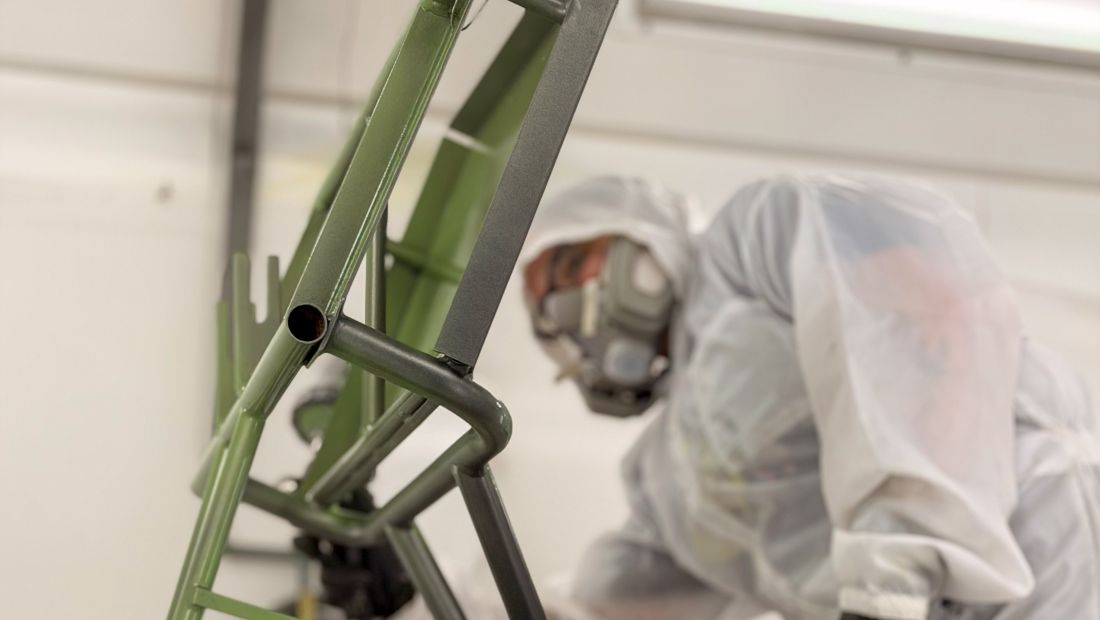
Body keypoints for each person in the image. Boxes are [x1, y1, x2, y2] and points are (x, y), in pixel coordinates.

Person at [518, 174, 1100, 620]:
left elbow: (926, 321)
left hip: (1036, 542)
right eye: (548, 310)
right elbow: (621, 591)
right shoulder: (666, 473)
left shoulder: (751, 238)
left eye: (573, 266)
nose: (569, 309)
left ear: (638, 231)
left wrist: (891, 577)